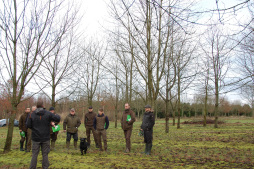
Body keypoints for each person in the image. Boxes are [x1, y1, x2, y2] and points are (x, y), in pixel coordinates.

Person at [26, 100, 60, 169]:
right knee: (45, 154)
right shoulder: (48, 114)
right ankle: (45, 167)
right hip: (45, 137)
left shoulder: (31, 115)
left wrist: (34, 127)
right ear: (43, 106)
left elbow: (28, 125)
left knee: (34, 154)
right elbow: (58, 119)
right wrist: (56, 116)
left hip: (35, 138)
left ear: (36, 106)